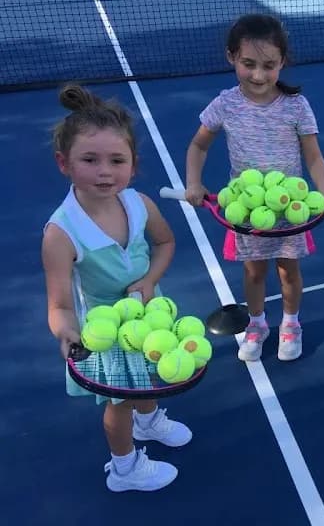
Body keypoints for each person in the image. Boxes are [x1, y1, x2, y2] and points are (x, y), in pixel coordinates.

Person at [42, 84, 192, 492]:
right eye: (90, 160)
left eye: (116, 160)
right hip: (105, 330)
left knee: (148, 377)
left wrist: (147, 282)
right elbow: (58, 303)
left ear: (133, 164)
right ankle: (125, 469)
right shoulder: (61, 232)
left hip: (148, 310)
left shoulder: (140, 203)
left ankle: (150, 421)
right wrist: (66, 331)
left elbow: (166, 242)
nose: (105, 171)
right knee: (119, 402)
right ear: (64, 163)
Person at [185, 13, 324, 363]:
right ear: (231, 57)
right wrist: (193, 182)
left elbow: (313, 155)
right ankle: (257, 323)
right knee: (253, 271)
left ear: (283, 61)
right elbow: (198, 146)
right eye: (248, 64)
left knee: (288, 270)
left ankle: (291, 323)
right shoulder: (225, 103)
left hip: (289, 209)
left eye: (269, 65)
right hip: (248, 212)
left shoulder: (296, 106)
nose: (258, 75)